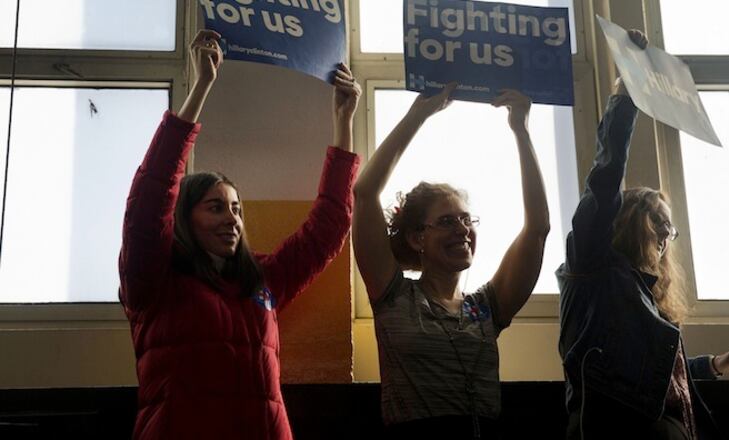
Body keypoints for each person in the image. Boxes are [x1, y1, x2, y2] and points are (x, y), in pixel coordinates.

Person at [118, 30, 361, 439]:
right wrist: (201, 87)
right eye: (215, 207)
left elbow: (329, 227)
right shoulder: (153, 282)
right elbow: (151, 194)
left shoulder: (263, 280)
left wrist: (344, 120)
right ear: (183, 218)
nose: (232, 219)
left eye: (237, 208)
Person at [556, 29, 729, 440]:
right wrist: (626, 94)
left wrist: (714, 366)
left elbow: (655, 377)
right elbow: (604, 183)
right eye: (656, 218)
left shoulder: (646, 296)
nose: (665, 233)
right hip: (621, 430)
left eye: (669, 226)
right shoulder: (594, 269)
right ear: (625, 220)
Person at [352, 83, 551, 439]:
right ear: (417, 238)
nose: (461, 229)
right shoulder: (394, 297)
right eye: (446, 221)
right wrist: (418, 115)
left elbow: (537, 229)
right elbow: (365, 194)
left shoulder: (487, 308)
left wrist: (521, 129)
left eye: (466, 219)